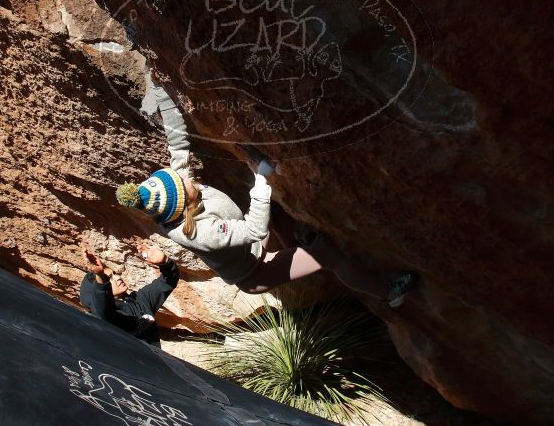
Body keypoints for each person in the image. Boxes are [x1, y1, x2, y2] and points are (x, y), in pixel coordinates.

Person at [115, 70, 417, 307]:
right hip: (255, 271)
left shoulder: (177, 194)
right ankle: (389, 293)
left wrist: (158, 86)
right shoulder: (197, 233)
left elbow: (177, 138)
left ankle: (297, 244)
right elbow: (254, 230)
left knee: (272, 206)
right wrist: (261, 178)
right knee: (329, 256)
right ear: (181, 204)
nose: (188, 178)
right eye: (186, 184)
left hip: (252, 249)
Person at [79, 246, 179, 347]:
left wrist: (165, 262)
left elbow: (167, 282)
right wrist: (100, 276)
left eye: (115, 274)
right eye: (109, 278)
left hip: (156, 360)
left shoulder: (140, 300)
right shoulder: (105, 315)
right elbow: (102, 307)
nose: (118, 277)